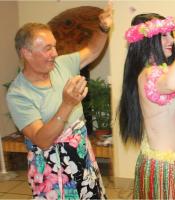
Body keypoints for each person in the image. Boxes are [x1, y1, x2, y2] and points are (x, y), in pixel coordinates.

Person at [6, 2, 112, 199]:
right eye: (47, 48)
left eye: (54, 46)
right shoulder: (18, 94)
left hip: (82, 158)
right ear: (26, 53)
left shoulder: (61, 64)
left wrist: (103, 28)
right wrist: (67, 104)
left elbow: (92, 50)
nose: (55, 53)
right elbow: (43, 140)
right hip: (52, 170)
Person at [119, 13, 175, 199]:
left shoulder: (166, 72)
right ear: (147, 40)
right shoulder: (147, 75)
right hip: (162, 168)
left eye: (171, 34)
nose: (171, 40)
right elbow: (172, 84)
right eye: (164, 35)